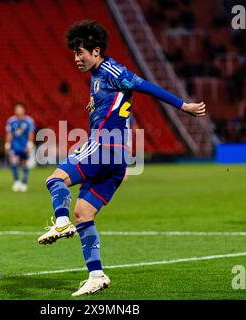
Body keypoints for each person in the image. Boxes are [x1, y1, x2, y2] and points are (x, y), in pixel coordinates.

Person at [37, 20, 206, 296]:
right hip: (115, 157)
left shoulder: (112, 70)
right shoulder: (97, 78)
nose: (76, 58)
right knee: (84, 214)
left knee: (55, 179)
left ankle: (59, 222)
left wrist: (183, 105)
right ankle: (96, 275)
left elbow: (145, 86)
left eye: (80, 52)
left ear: (96, 50)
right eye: (74, 53)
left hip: (104, 148)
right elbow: (121, 112)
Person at [5, 103, 35, 192]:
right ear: (14, 111)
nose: (19, 111)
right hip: (15, 146)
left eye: (20, 109)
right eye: (17, 109)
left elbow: (31, 133)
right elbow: (9, 133)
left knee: (24, 164)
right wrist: (7, 143)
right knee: (13, 162)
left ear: (24, 110)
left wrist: (30, 143)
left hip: (24, 146)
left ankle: (24, 183)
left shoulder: (29, 121)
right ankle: (16, 181)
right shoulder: (11, 121)